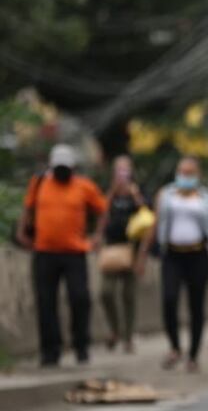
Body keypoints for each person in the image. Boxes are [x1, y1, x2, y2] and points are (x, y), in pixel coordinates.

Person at [136, 157, 208, 373]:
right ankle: (175, 347)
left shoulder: (206, 198)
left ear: (197, 175)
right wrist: (142, 254)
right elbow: (155, 224)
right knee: (169, 299)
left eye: (189, 173)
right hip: (172, 256)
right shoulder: (166, 195)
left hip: (198, 256)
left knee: (196, 306)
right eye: (181, 171)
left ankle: (193, 355)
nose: (184, 176)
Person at [16, 144, 108, 367]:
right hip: (44, 252)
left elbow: (102, 210)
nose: (61, 172)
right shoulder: (39, 184)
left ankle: (81, 345)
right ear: (51, 166)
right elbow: (28, 209)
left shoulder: (84, 186)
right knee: (45, 302)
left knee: (80, 298)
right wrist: (21, 232)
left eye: (65, 168)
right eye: (58, 168)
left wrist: (97, 236)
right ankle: (50, 351)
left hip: (75, 253)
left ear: (73, 167)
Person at [99, 156, 146, 353]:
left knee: (128, 295)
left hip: (131, 249)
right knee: (106, 292)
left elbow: (146, 216)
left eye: (125, 170)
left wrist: (134, 194)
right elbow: (102, 214)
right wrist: (113, 190)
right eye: (119, 170)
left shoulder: (137, 191)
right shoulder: (110, 193)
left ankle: (128, 338)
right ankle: (115, 330)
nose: (122, 174)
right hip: (112, 249)